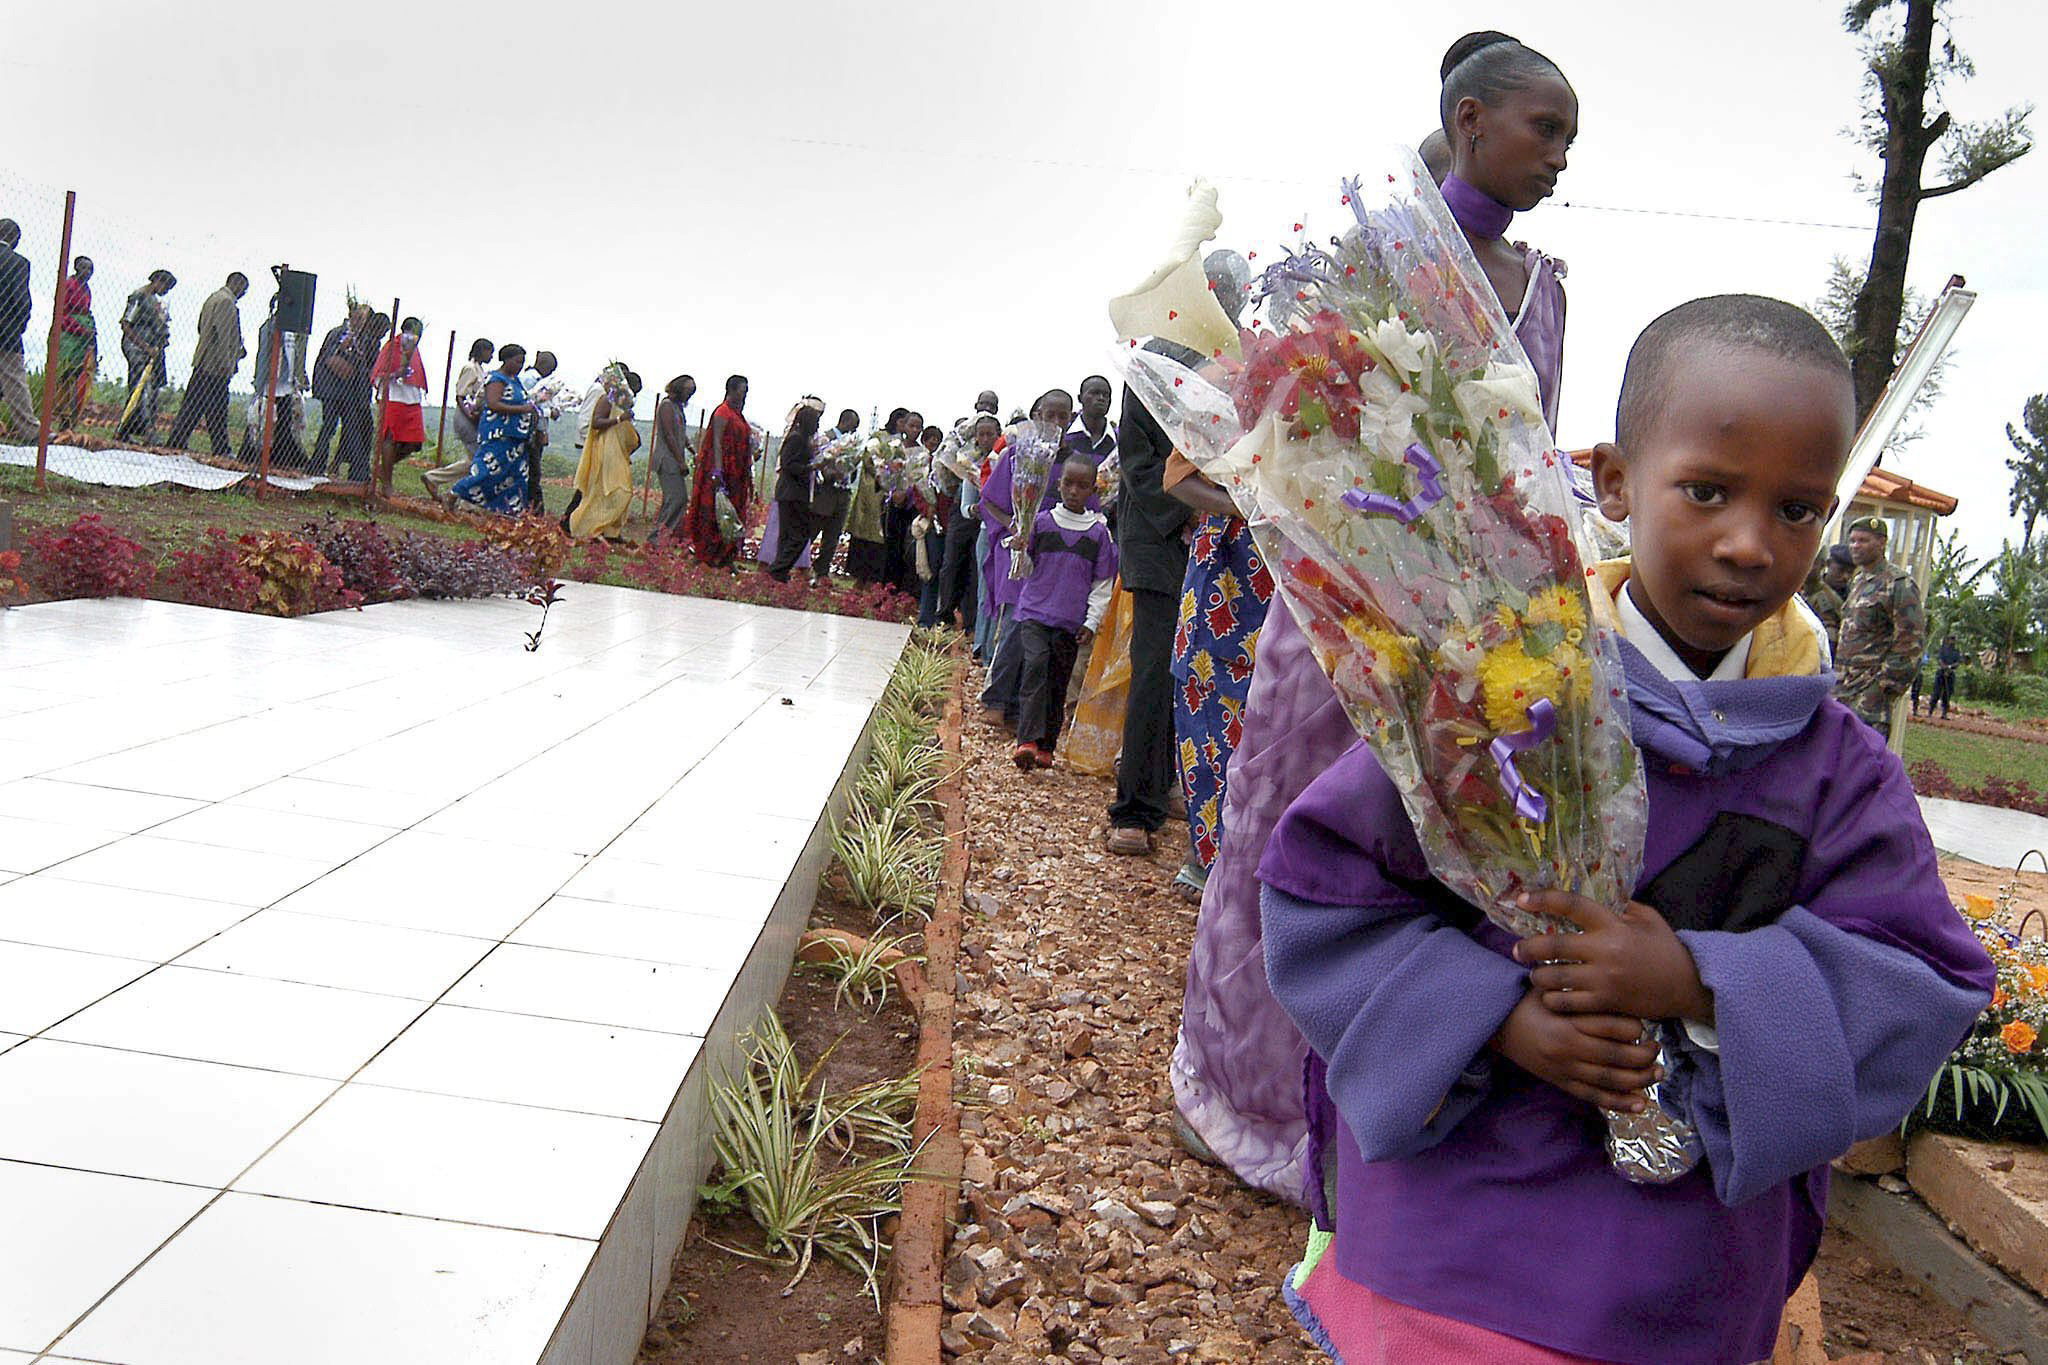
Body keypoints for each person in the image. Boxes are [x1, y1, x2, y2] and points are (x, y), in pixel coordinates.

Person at [1266, 294, 1992, 1365]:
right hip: (1454, 1234)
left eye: (1796, 511)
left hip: (1678, 1279)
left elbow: (1915, 979)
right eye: (1706, 491)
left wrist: (1697, 980)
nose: (1749, 545)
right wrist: (1498, 1019)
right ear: (1611, 483)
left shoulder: (1839, 770)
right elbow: (1327, 900)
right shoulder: (1481, 690)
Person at [1170, 36, 1584, 1203]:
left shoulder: (1547, 291)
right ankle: (1241, 1095)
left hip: (1473, 636)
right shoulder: (1369, 256)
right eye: (1541, 131)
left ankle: (1389, 1115)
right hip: (1341, 619)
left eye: (1567, 141)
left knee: (1431, 860)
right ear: (1467, 122)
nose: (1557, 160)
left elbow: (1531, 459)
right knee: (1287, 837)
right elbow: (1281, 421)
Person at [1011, 456, 1119, 769]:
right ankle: (1026, 740)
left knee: (1059, 678)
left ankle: (1046, 744)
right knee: (1035, 666)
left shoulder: (1098, 534)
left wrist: (1091, 620)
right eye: (1068, 483)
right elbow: (1023, 567)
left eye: (1082, 485)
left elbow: (1102, 583)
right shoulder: (1041, 522)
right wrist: (1019, 544)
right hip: (1034, 611)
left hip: (1070, 621)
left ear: (1092, 490)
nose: (1073, 490)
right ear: (1058, 484)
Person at [981, 390, 1076, 727]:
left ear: (1070, 419)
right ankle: (996, 698)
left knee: (1040, 633)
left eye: (1062, 416)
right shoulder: (1016, 455)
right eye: (1048, 415)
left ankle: (1025, 709)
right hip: (1018, 552)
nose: (1054, 423)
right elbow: (988, 501)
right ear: (1035, 416)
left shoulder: (1072, 465)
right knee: (1012, 628)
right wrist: (1016, 524)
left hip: (1053, 563)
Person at [1836, 516, 1927, 740]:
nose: (1856, 546)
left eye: (1863, 541)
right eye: (1853, 541)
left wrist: (1884, 686)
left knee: (1863, 762)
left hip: (1869, 696)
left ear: (1882, 542)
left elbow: (1910, 643)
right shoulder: (1859, 581)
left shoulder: (1898, 584)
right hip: (1842, 688)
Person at [451, 343, 539, 515]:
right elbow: (493, 404)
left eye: (522, 363)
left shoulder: (516, 381)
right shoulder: (496, 379)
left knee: (513, 475)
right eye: (516, 362)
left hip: (516, 437)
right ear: (506, 360)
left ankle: (508, 511)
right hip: (499, 433)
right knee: (488, 472)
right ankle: (455, 493)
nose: (519, 366)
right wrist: (522, 409)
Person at [167, 272, 248, 455]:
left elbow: (202, 328)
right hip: (215, 365)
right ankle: (220, 448)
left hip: (204, 360)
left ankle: (177, 440)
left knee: (194, 405)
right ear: (237, 284)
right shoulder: (227, 303)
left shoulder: (212, 299)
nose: (243, 293)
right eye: (244, 289)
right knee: (217, 409)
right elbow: (223, 335)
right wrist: (226, 362)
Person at [937, 413, 999, 630]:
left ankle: (972, 623)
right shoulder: (965, 457)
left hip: (992, 522)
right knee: (952, 563)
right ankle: (944, 615)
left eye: (990, 434)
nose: (985, 439)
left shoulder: (1003, 458)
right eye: (981, 434)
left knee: (978, 569)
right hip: (964, 515)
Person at [682, 375, 752, 566]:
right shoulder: (722, 413)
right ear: (731, 390)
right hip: (721, 472)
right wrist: (718, 471)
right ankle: (708, 554)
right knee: (713, 513)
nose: (744, 395)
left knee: (731, 513)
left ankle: (726, 556)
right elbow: (717, 443)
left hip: (736, 474)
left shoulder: (738, 415)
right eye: (742, 390)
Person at [567, 365, 643, 539]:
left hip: (618, 452)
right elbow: (596, 422)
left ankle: (609, 530)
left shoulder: (623, 405)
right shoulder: (606, 400)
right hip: (605, 449)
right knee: (613, 490)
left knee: (619, 491)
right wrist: (618, 419)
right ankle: (586, 527)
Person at [243, 293, 310, 471]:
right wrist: (260, 380)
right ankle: (255, 454)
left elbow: (298, 355)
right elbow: (264, 355)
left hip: (287, 383)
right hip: (271, 381)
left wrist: (300, 375)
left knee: (284, 421)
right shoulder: (270, 327)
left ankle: (282, 457)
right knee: (264, 419)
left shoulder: (296, 330)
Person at [425, 337, 496, 504]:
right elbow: (461, 395)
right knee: (478, 460)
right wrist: (469, 415)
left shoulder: (480, 370)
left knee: (475, 460)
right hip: (466, 417)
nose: (491, 356)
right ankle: (454, 490)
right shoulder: (470, 369)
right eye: (489, 352)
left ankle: (435, 479)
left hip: (473, 417)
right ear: (482, 351)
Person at [767, 400, 828, 581]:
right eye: (815, 422)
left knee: (788, 535)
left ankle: (779, 571)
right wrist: (812, 467)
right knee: (799, 535)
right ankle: (778, 569)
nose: (817, 426)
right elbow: (789, 465)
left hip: (793, 492)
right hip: (792, 493)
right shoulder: (796, 438)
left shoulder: (801, 438)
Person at [115, 269, 176, 442]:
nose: (166, 291)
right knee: (141, 388)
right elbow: (126, 324)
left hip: (151, 350)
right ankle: (142, 431)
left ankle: (130, 430)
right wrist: (145, 347)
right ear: (157, 280)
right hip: (136, 348)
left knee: (150, 390)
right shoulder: (139, 296)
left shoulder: (155, 301)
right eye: (165, 285)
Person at [370, 317, 429, 495]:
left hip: (411, 398)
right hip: (392, 397)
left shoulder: (415, 351)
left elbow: (416, 374)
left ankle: (382, 468)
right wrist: (397, 373)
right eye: (411, 333)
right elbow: (380, 373)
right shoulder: (391, 347)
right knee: (389, 438)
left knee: (415, 442)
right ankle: (387, 482)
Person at [309, 300, 369, 467]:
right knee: (329, 426)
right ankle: (317, 464)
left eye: (363, 320)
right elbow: (328, 358)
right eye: (358, 318)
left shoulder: (359, 338)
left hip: (347, 392)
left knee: (350, 428)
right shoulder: (338, 334)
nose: (360, 323)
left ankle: (350, 467)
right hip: (332, 390)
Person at [333, 311, 390, 483]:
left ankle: (343, 465)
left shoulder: (370, 341)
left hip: (362, 393)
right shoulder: (366, 341)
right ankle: (357, 470)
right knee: (361, 430)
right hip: (356, 392)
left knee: (355, 431)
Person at [807, 408, 862, 582]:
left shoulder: (852, 443)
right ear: (844, 421)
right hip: (826, 491)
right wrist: (831, 471)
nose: (852, 432)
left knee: (833, 536)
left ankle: (822, 570)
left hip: (843, 492)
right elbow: (816, 462)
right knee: (813, 529)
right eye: (852, 427)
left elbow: (852, 468)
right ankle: (799, 564)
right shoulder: (826, 438)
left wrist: (850, 467)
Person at [649, 374, 697, 544]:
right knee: (677, 498)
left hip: (675, 460)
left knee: (675, 499)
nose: (689, 395)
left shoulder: (678, 408)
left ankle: (660, 537)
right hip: (668, 459)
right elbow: (669, 435)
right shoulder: (667, 406)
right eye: (687, 390)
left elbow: (681, 435)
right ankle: (657, 538)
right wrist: (680, 461)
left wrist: (692, 451)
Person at [53, 256, 97, 429]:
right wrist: (79, 328)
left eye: (90, 270)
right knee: (65, 373)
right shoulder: (68, 285)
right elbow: (61, 312)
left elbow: (86, 311)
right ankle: (60, 414)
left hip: (83, 337)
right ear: (76, 268)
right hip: (69, 334)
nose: (87, 273)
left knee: (79, 375)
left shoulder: (86, 289)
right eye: (84, 269)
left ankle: (71, 418)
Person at [521, 350, 567, 515]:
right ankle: (534, 510)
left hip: (535, 430)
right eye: (550, 369)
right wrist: (545, 421)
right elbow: (530, 408)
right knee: (533, 472)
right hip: (530, 431)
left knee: (533, 471)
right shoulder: (530, 380)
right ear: (543, 365)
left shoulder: (538, 382)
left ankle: (532, 508)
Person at [0, 220, 32, 443]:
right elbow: (22, 301)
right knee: (14, 380)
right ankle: (29, 430)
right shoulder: (18, 263)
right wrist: (19, 326)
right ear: (15, 238)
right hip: (6, 330)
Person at [1930, 636, 1963, 719]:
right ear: (1948, 640)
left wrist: (1950, 668)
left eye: (1954, 640)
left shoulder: (1956, 651)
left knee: (1947, 694)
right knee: (1936, 693)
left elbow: (1958, 662)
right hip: (1941, 672)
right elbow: (1940, 660)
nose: (1953, 642)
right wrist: (1945, 668)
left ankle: (1944, 713)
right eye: (1951, 640)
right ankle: (1930, 711)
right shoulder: (1943, 649)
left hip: (1950, 674)